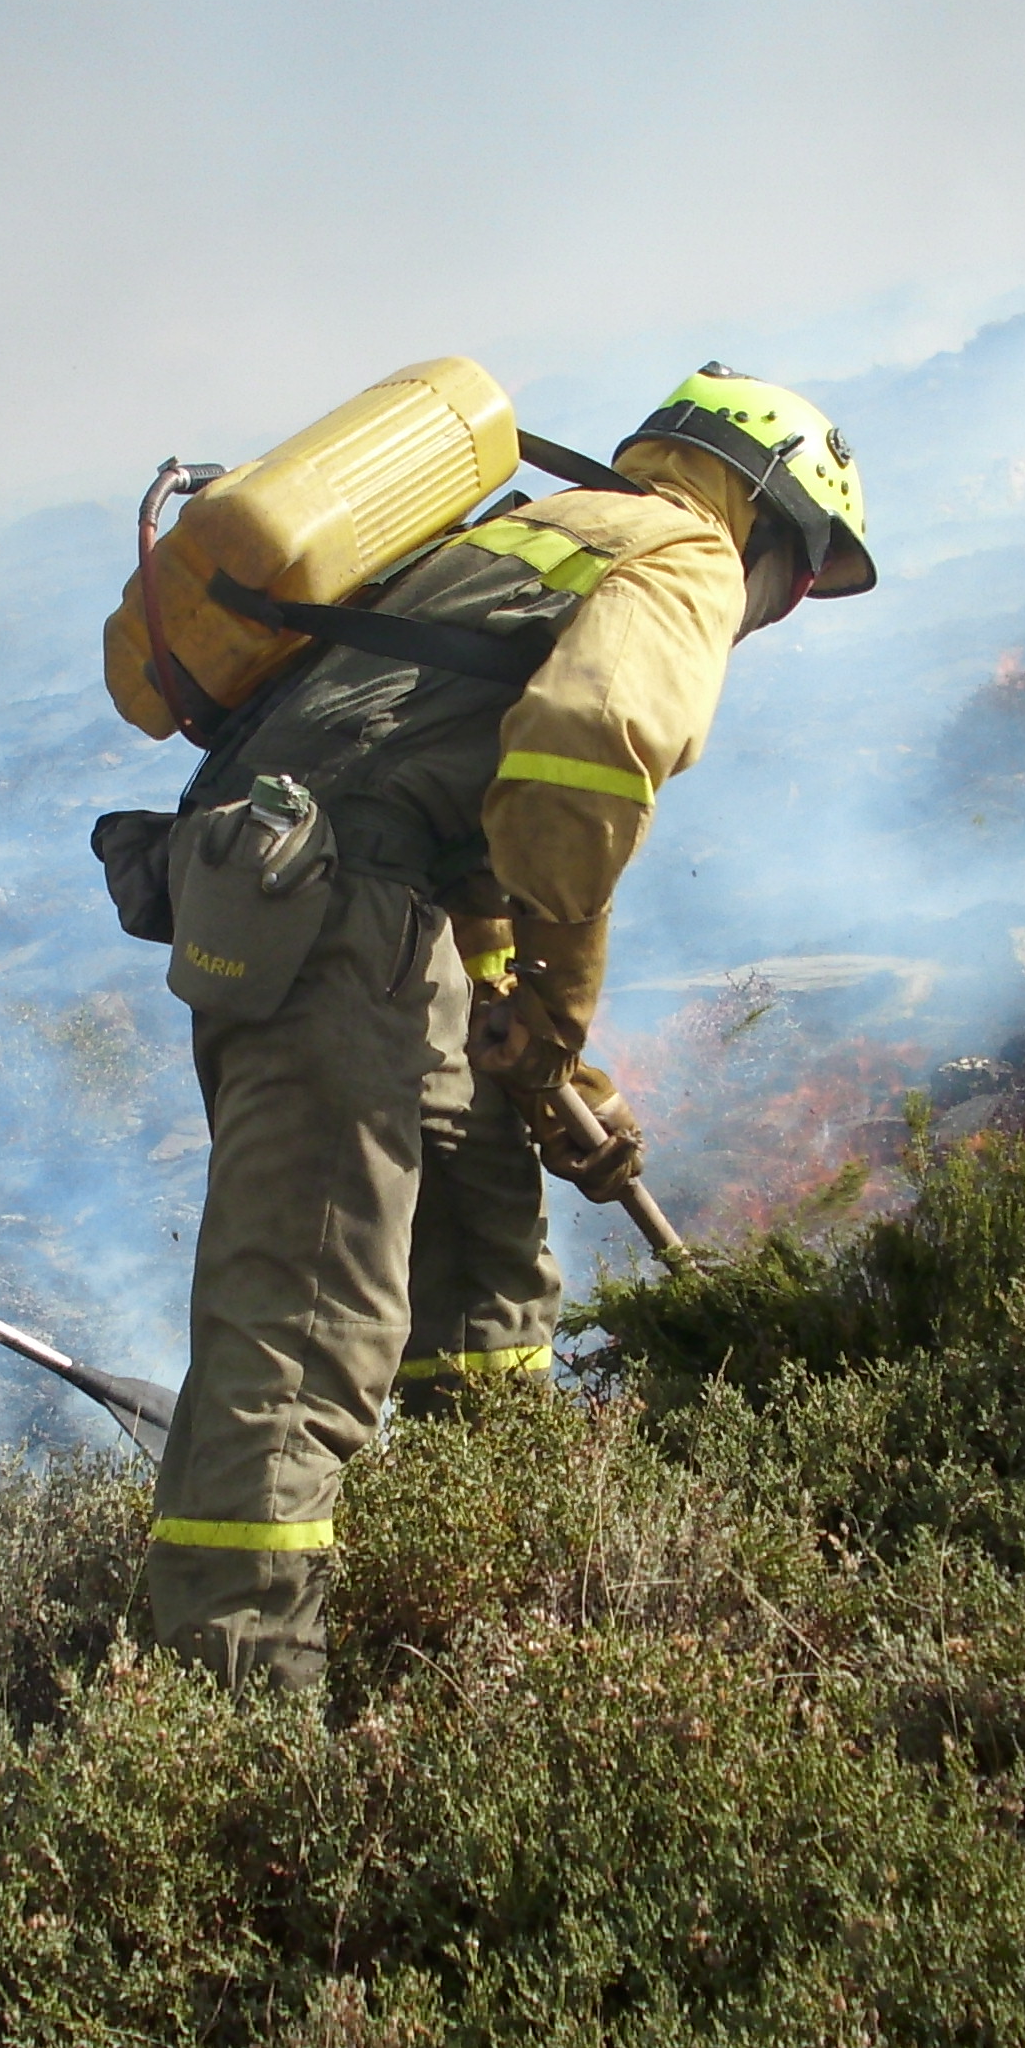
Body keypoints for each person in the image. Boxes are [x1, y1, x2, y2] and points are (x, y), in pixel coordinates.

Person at [148, 365, 875, 1689]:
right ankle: (231, 1715)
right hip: (342, 932)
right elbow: (575, 761)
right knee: (303, 1340)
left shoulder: (540, 532)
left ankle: (496, 1600)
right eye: (801, 581)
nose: (775, 611)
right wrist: (557, 1015)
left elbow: (445, 798)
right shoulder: (686, 556)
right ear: (772, 523)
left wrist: (537, 1063)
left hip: (343, 916)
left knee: (486, 1262)